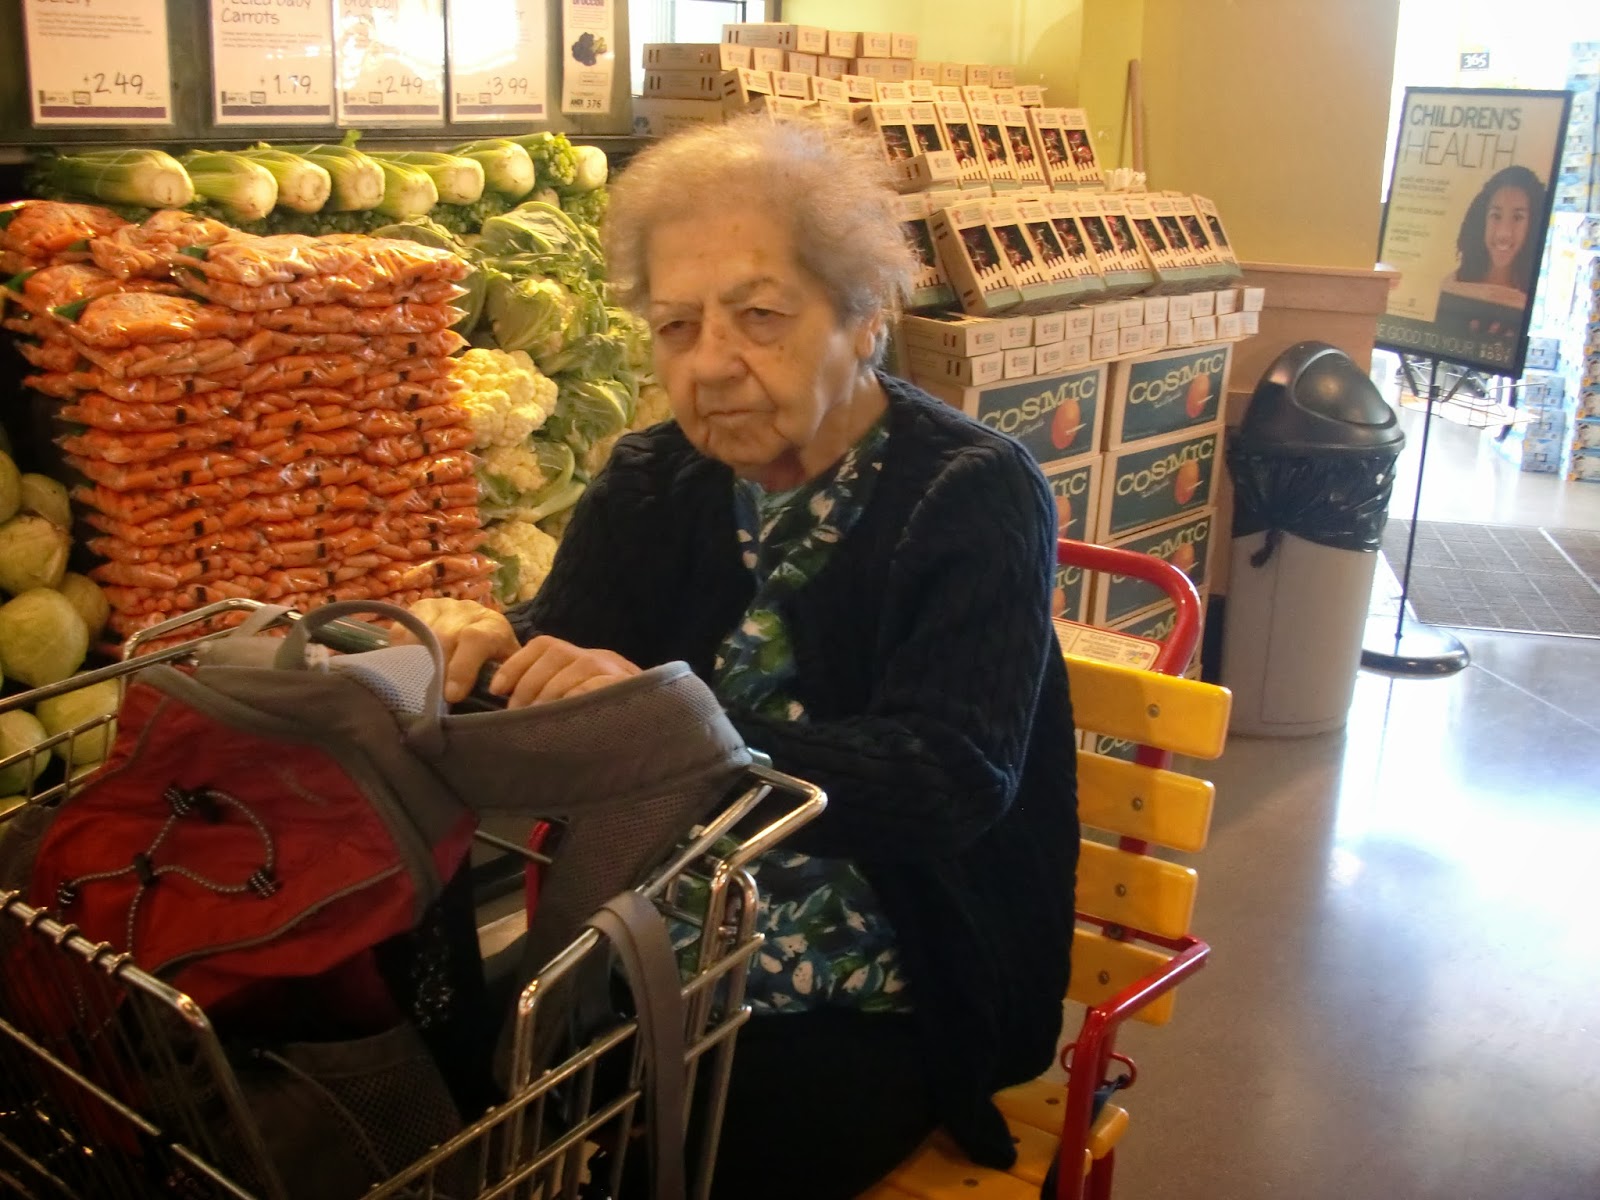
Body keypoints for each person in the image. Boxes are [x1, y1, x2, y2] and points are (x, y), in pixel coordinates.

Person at [403, 118, 1079, 1199]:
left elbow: (951, 781)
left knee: (687, 1163)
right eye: (677, 326)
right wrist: (494, 647)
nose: (711, 364)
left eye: (760, 315)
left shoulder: (972, 494)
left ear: (863, 315)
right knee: (444, 1100)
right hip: (656, 940)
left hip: (887, 974)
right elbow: (572, 649)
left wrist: (679, 734)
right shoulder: (654, 479)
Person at [1439, 165, 1545, 310]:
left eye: (1517, 217)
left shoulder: (1539, 301)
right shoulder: (1452, 286)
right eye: (1496, 216)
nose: (1503, 233)